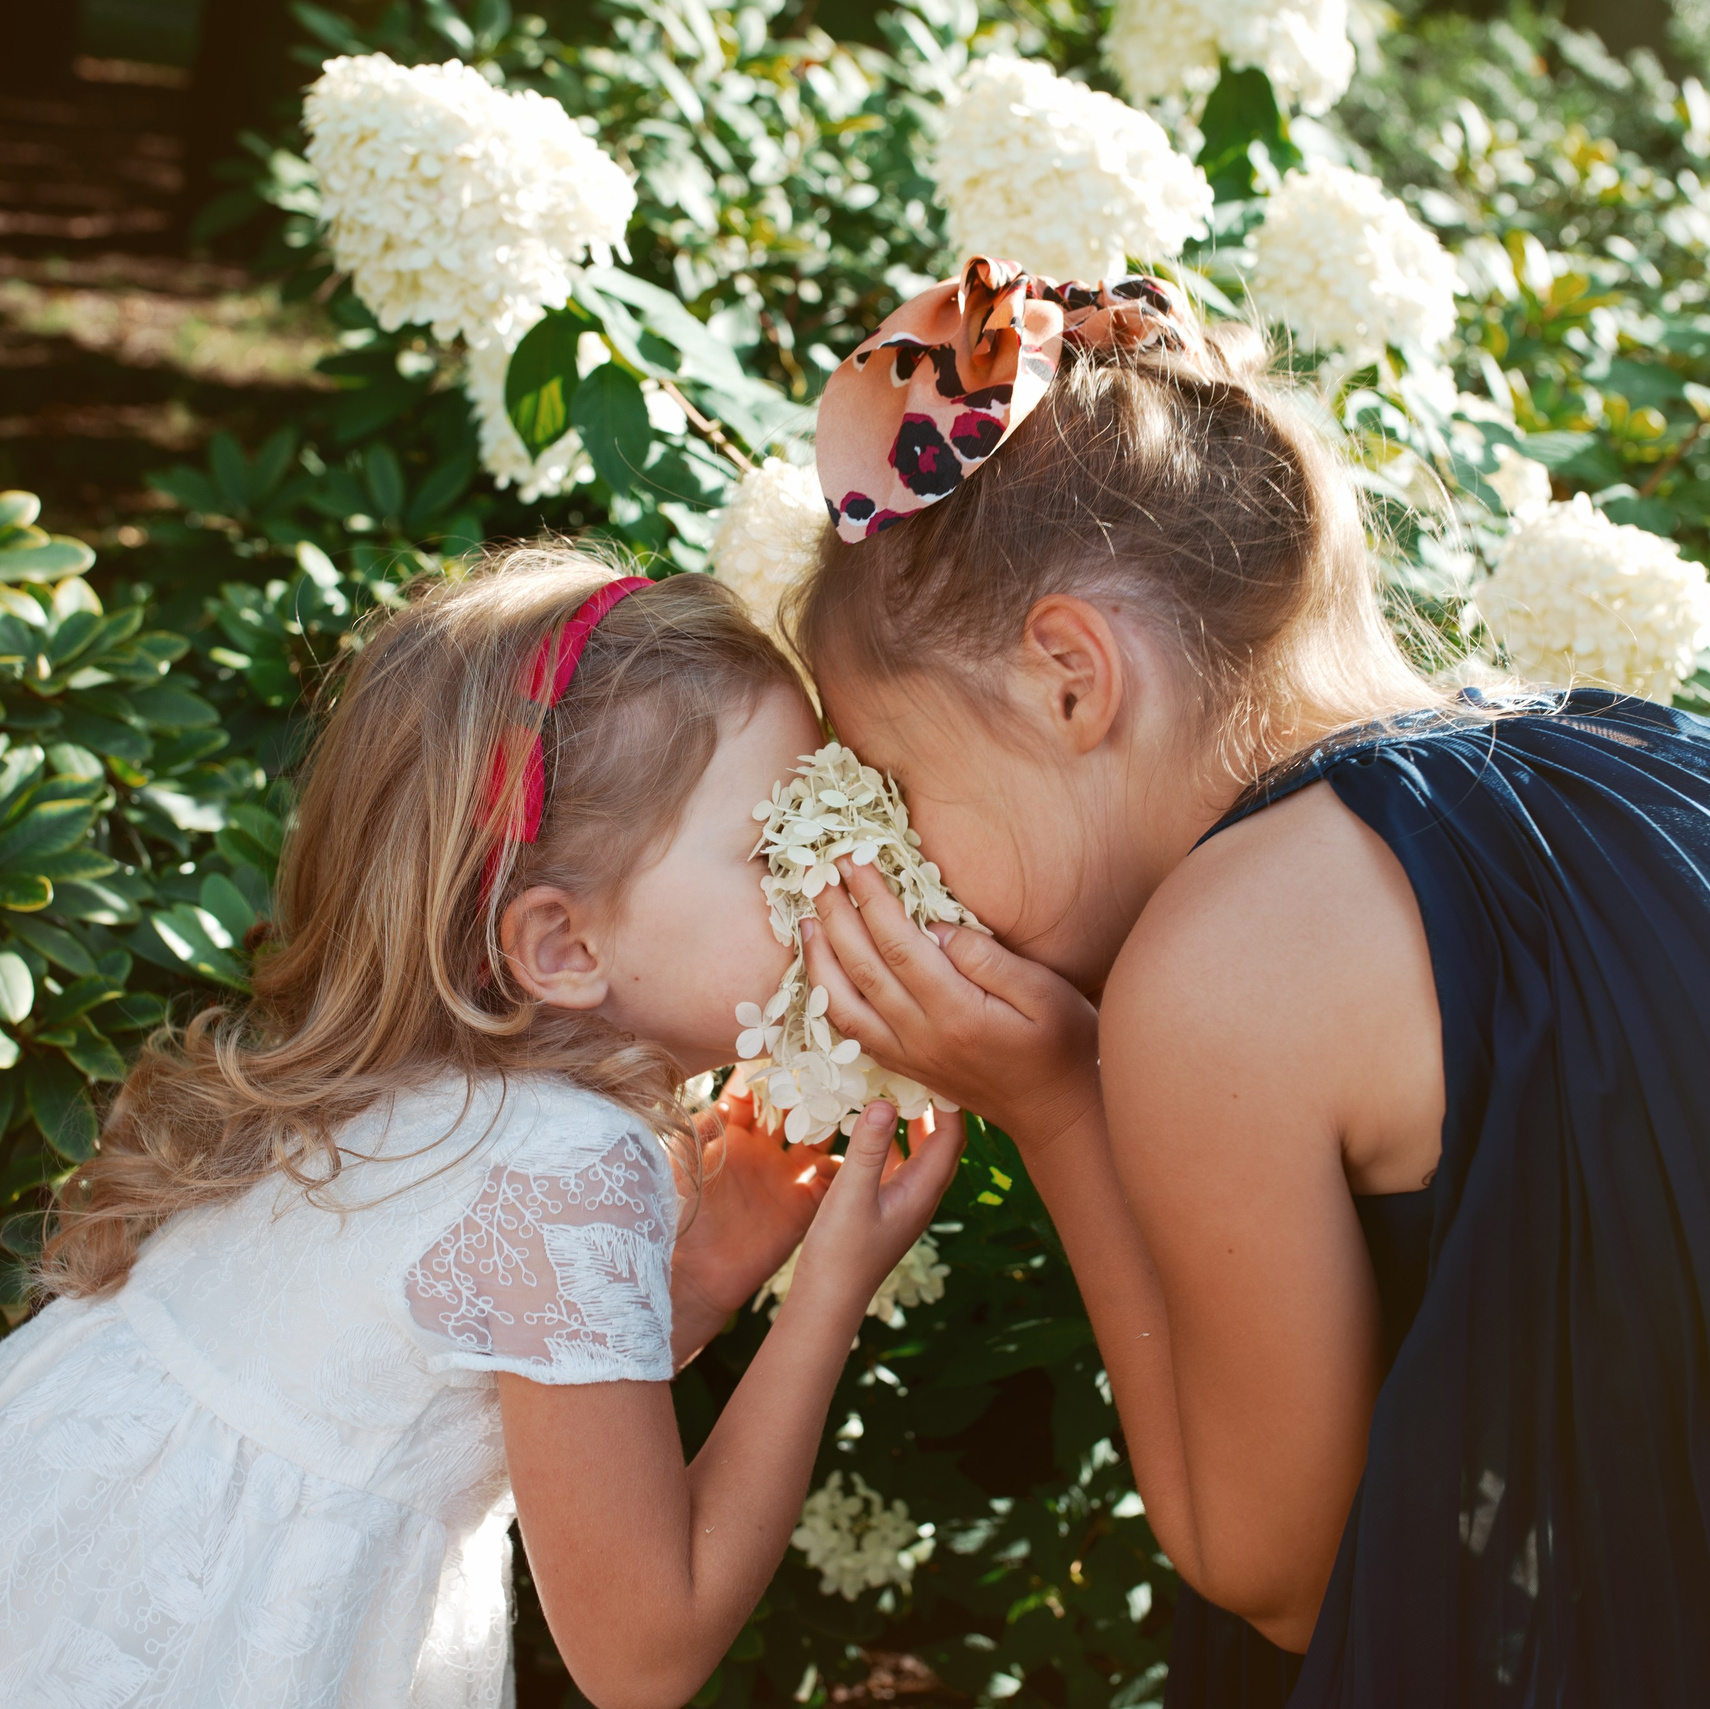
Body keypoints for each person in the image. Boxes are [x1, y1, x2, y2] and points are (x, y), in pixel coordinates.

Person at [789, 256, 1710, 1706]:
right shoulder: (1629, 745)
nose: (905, 855)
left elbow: (1280, 1572)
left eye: (902, 786)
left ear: (1068, 679)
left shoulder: (1217, 964)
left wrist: (1058, 1103)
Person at [0, 553, 962, 1708]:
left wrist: (703, 1269)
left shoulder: (416, 1078)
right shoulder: (571, 1165)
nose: (830, 879)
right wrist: (829, 1292)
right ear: (561, 945)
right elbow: (644, 1651)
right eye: (775, 853)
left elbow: (494, 1405)